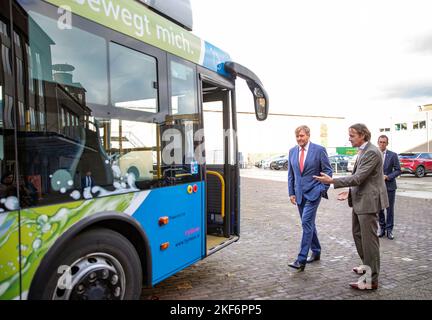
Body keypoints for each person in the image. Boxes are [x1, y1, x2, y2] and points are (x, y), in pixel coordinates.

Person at [314, 123, 389, 290]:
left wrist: (332, 181)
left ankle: (371, 280)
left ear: (362, 135)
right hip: (360, 200)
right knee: (358, 235)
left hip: (368, 202)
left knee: (369, 241)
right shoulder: (363, 150)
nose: (349, 138)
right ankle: (367, 266)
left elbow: (358, 178)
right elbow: (361, 178)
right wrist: (349, 192)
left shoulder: (371, 152)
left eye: (352, 135)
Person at [287, 125, 332, 271]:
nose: (299, 139)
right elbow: (291, 175)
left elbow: (328, 171)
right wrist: (291, 193)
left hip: (314, 193)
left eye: (302, 136)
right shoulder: (292, 151)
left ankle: (301, 260)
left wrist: (321, 189)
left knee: (306, 223)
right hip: (299, 195)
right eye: (297, 136)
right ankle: (317, 251)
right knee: (309, 223)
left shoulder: (319, 150)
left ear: (308, 135)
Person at [377, 135, 401, 240]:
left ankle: (389, 230)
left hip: (390, 186)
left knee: (389, 209)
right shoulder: (374, 154)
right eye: (380, 142)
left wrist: (388, 176)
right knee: (379, 209)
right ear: (378, 143)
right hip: (377, 187)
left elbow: (398, 170)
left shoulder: (393, 155)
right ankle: (382, 228)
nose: (382, 144)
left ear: (387, 143)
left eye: (384, 142)